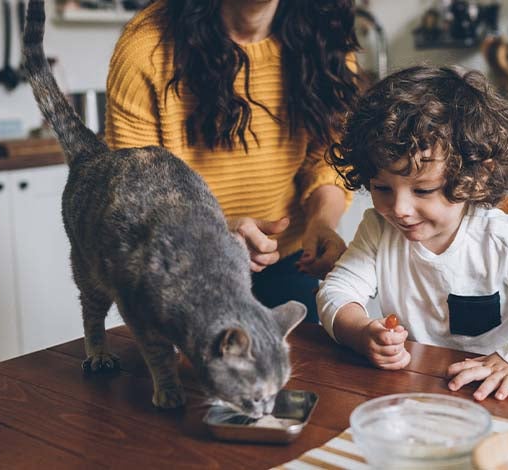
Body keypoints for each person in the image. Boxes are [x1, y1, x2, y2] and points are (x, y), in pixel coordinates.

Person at [317, 65, 508, 401]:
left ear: (475, 178)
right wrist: (360, 332)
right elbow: (337, 290)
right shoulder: (378, 230)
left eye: (423, 190)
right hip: (417, 393)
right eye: (382, 187)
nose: (398, 208)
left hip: (500, 396)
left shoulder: (501, 239)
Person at [104, 0, 359, 323]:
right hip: (186, 264)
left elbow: (326, 157)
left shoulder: (326, 36)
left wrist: (321, 222)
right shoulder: (147, 46)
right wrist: (215, 231)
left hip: (290, 260)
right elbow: (135, 194)